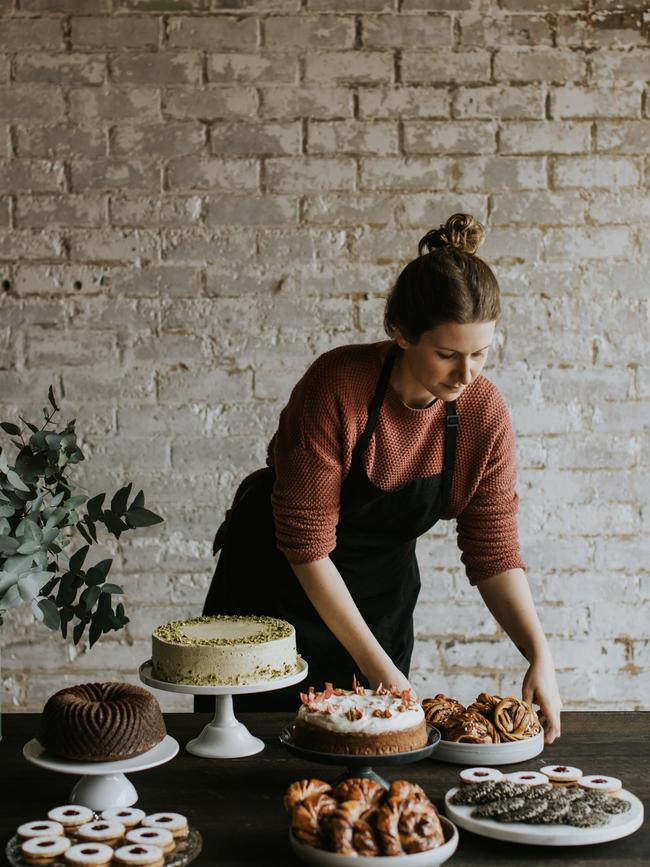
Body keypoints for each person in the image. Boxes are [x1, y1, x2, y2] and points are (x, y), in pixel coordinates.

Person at [199, 213, 562, 743]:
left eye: (480, 354)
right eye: (447, 355)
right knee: (256, 754)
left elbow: (494, 549)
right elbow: (306, 544)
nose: (467, 375)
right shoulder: (336, 388)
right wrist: (385, 676)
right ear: (401, 334)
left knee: (371, 758)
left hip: (379, 602)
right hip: (276, 594)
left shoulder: (483, 411)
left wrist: (539, 654)